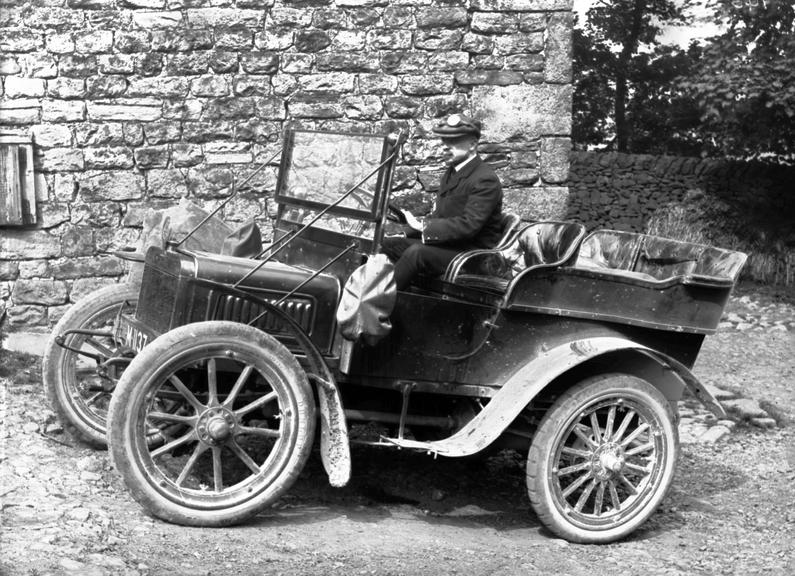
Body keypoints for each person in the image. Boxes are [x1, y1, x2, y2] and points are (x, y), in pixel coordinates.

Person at [382, 113, 504, 290]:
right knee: (388, 244)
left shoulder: (485, 179)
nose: (447, 146)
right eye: (445, 141)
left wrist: (422, 226)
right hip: (450, 247)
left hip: (472, 255)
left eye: (454, 141)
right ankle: (391, 298)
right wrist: (406, 233)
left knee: (417, 253)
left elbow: (468, 225)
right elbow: (441, 215)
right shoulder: (452, 172)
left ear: (472, 144)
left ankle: (379, 304)